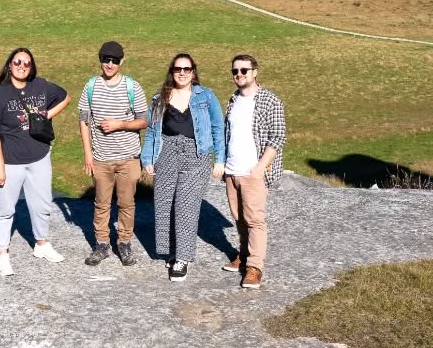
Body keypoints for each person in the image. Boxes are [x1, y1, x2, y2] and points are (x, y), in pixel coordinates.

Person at [0, 47, 70, 277]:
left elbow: (65, 97)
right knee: (4, 209)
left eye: (27, 63)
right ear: (9, 65)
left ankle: (41, 244)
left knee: (41, 204)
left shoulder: (40, 86)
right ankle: (2, 253)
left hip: (39, 156)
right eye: (17, 62)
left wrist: (45, 117)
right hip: (10, 161)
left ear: (32, 67)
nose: (22, 66)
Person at [141, 53, 225, 280]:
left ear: (193, 72)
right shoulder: (160, 99)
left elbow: (218, 127)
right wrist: (147, 159)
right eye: (178, 68)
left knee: (186, 206)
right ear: (171, 71)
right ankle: (171, 251)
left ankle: (183, 259)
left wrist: (220, 160)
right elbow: (151, 131)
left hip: (196, 156)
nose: (182, 72)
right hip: (166, 154)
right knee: (164, 205)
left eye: (187, 69)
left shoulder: (206, 96)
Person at [78, 40, 149, 266]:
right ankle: (102, 244)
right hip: (101, 159)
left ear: (122, 61)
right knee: (101, 203)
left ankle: (124, 243)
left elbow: (144, 121)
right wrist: (88, 154)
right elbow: (83, 121)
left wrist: (120, 124)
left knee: (127, 203)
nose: (109, 64)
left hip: (128, 158)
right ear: (100, 59)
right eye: (105, 59)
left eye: (114, 60)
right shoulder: (90, 87)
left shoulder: (132, 87)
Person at [221, 53, 287, 289]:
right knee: (239, 218)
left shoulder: (270, 100)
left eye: (244, 70)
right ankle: (243, 255)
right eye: (235, 71)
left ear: (255, 72)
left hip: (254, 173)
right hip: (232, 171)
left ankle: (255, 267)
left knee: (255, 220)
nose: (239, 75)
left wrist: (259, 169)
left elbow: (278, 137)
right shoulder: (233, 99)